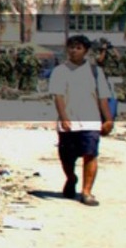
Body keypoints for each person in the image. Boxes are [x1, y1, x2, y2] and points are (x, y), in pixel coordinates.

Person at [49, 34, 114, 206]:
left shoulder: (96, 72)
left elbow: (103, 97)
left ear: (85, 51)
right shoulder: (59, 71)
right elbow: (59, 97)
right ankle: (71, 178)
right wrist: (64, 118)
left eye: (78, 48)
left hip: (91, 121)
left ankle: (86, 192)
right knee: (66, 158)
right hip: (68, 122)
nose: (74, 51)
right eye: (71, 47)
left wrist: (108, 119)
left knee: (90, 154)